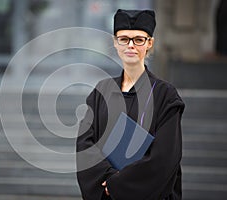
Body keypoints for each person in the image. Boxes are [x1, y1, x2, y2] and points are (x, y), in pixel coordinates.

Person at [76, 9, 185, 200]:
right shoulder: (102, 91)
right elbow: (85, 144)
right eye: (124, 39)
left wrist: (118, 184)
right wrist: (108, 179)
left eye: (138, 39)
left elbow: (164, 157)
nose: (131, 46)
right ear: (115, 42)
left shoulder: (165, 95)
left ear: (150, 43)